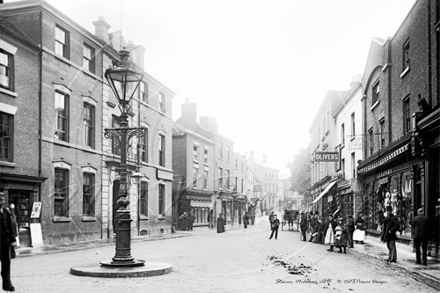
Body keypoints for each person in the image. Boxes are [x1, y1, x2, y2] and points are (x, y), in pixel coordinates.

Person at [0, 192, 17, 291]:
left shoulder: (7, 212)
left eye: (2, 199)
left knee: (6, 262)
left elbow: (11, 227)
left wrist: (13, 240)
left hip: (5, 241)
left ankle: (7, 283)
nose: (0, 201)